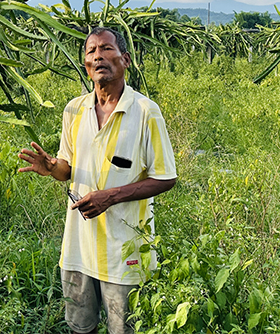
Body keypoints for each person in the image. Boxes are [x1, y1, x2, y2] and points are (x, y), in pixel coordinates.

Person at [18, 27, 177, 334]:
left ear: (125, 59)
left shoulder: (145, 112)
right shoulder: (74, 109)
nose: (98, 56)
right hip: (78, 249)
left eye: (106, 48)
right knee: (80, 328)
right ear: (85, 64)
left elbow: (165, 178)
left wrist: (111, 196)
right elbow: (68, 169)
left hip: (124, 253)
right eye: (91, 51)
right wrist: (52, 167)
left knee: (125, 330)